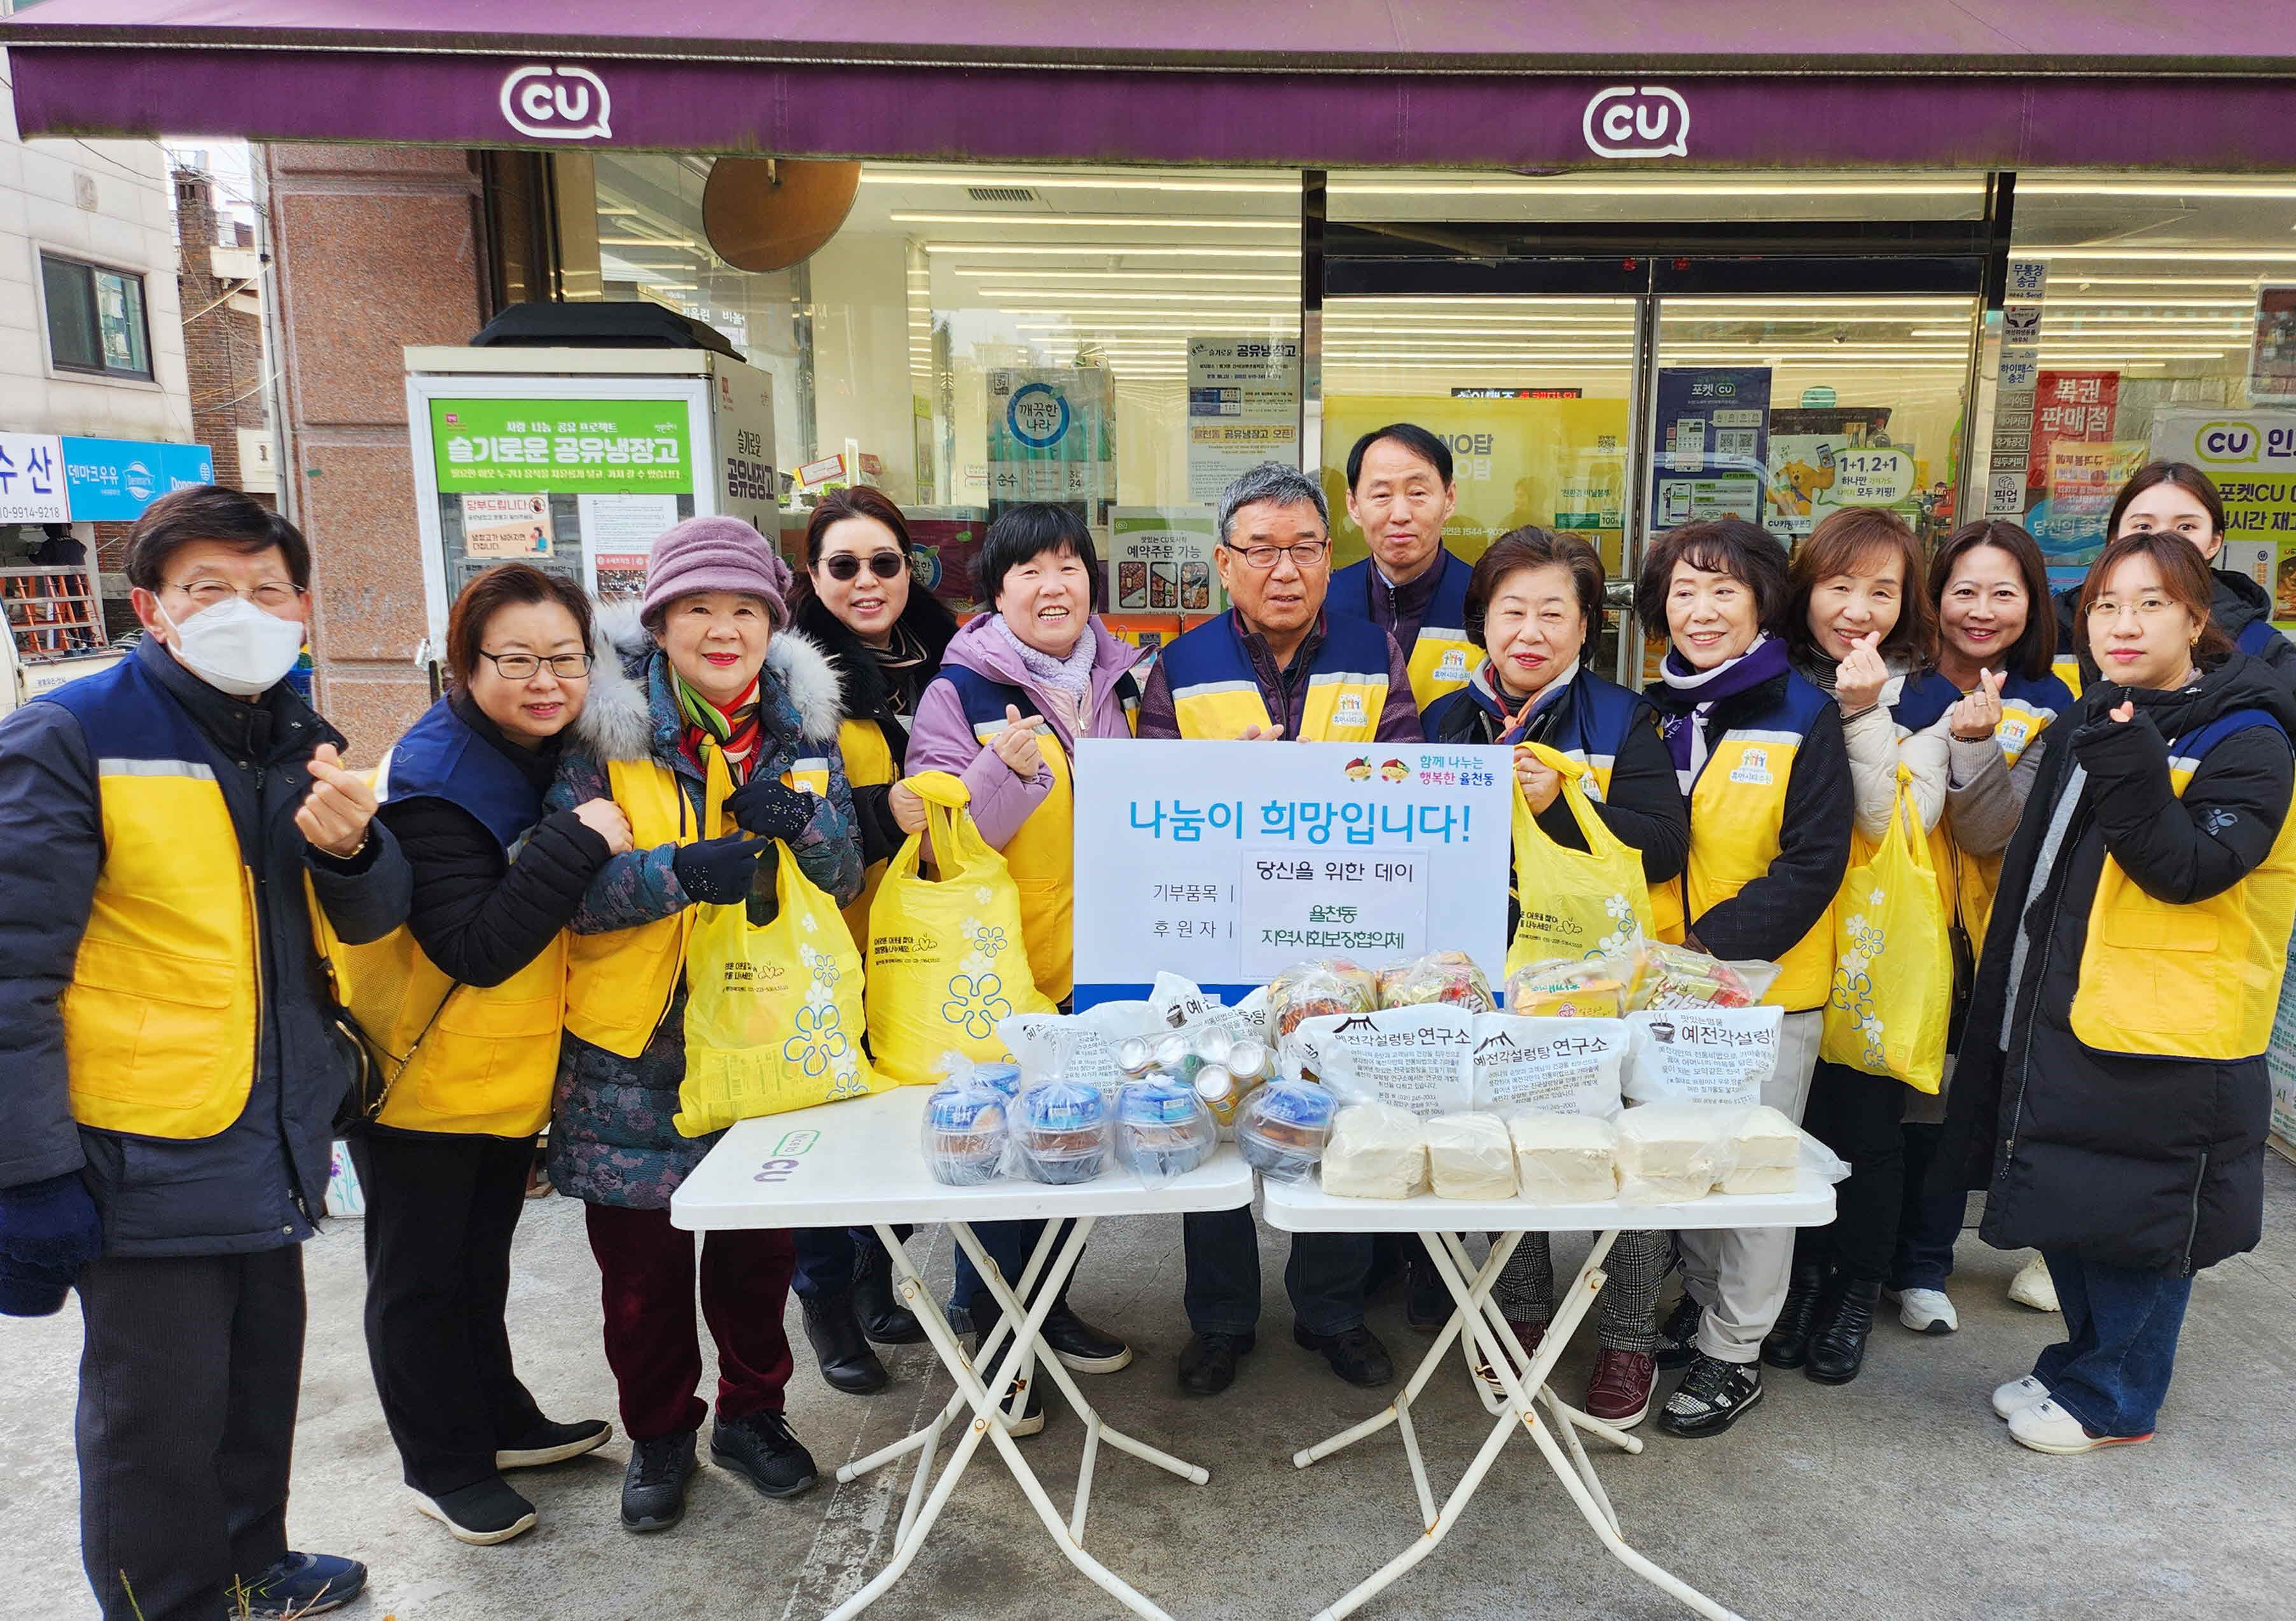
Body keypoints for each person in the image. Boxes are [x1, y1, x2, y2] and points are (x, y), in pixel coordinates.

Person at [0, 485, 410, 1621]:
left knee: (252, 1379)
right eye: (209, 588)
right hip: (136, 1143)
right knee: (155, 1416)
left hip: (270, 1128)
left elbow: (370, 920)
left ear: (303, 606)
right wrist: (27, 1167)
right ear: (153, 608)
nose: (244, 609)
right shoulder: (72, 735)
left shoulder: (294, 735)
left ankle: (251, 1562)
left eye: (267, 587)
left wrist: (355, 848)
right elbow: (10, 970)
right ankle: (167, 1602)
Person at [1937, 529, 2296, 1455]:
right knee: (2076, 1203)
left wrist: (2132, 766)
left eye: (2149, 604)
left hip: (2168, 1035)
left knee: (2139, 1225)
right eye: (2104, 605)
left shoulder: (2247, 736)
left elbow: (2192, 869)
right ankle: (2077, 1366)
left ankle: (2116, 1399)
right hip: (2070, 1009)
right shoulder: (2100, 711)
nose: (2122, 624)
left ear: (2195, 617)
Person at [547, 517, 862, 1531]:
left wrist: (804, 823)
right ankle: (659, 1434)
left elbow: (848, 873)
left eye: (743, 610)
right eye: (698, 609)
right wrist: (673, 873)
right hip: (632, 1048)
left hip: (767, 1035)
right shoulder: (602, 734)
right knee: (639, 1277)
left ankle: (754, 1416)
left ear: (771, 623)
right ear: (661, 620)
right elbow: (566, 888)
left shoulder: (807, 735)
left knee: (757, 1256)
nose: (722, 630)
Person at [350, 563, 626, 1546]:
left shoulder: (528, 752)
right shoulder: (437, 777)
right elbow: (474, 944)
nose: (544, 680)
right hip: (418, 1073)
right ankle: (442, 1462)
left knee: (477, 1264)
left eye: (563, 659)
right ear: (465, 665)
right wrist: (579, 842)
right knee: (421, 1275)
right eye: (515, 660)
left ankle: (496, 1419)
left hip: (494, 1067)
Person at [1138, 459, 1419, 1396]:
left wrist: (1321, 784)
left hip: (1339, 933)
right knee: (1212, 1115)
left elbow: (1407, 778)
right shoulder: (1180, 666)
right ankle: (1219, 1320)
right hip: (1217, 942)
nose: (1284, 569)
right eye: (1260, 550)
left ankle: (1329, 1313)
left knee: (1328, 1116)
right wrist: (1235, 788)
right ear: (1225, 564)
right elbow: (1148, 806)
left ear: (1326, 554)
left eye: (1302, 548)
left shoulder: (1374, 653)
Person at [1422, 527, 1689, 1428]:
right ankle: (1518, 1314)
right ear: (1481, 622)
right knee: (1502, 1149)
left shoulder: (1622, 719)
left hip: (1602, 985)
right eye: (1510, 610)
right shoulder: (1444, 720)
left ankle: (1624, 1337)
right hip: (1489, 978)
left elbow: (1662, 846)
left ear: (1584, 629)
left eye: (1552, 613)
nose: (1529, 631)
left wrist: (1566, 806)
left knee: (1628, 1157)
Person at [905, 501, 1138, 1420]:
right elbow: (942, 847)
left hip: (1100, 962)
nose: (1054, 586)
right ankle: (994, 1329)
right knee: (999, 1154)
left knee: (1072, 1136)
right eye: (1029, 571)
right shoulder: (956, 694)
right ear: (996, 593)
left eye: (1069, 566)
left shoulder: (1122, 684)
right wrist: (997, 772)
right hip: (1003, 968)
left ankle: (1049, 1306)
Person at [1633, 517, 1851, 1438]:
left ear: (1762, 599)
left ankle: (1734, 1353)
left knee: (1755, 1178)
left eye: (1723, 589)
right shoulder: (1646, 709)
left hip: (1763, 989)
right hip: (1659, 991)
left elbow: (1811, 863)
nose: (1701, 609)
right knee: (1681, 1163)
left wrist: (1704, 952)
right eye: (1683, 590)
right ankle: (1704, 1306)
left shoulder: (1804, 710)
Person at [1764, 507, 1946, 1386]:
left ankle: (1851, 1287)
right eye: (1839, 585)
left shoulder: (1931, 696)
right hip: (1786, 944)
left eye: (1882, 590)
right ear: (1806, 589)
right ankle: (1795, 1281)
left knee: (1865, 1131)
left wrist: (1863, 710)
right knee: (1783, 1127)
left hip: (1874, 954)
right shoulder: (1765, 682)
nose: (1857, 608)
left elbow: (1897, 818)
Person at [784, 487, 954, 1394]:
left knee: (897, 1120)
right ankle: (826, 1300)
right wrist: (876, 813)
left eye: (883, 562)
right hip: (831, 940)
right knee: (829, 1129)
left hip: (920, 937)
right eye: (842, 565)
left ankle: (875, 1274)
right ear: (813, 577)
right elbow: (784, 805)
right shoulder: (795, 678)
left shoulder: (946, 653)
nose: (866, 582)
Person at [1885, 522, 2072, 1336]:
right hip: (1897, 921)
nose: (1981, 610)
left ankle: (1926, 1264)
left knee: (1949, 1100)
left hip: (1991, 934)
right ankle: (1873, 1257)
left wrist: (1971, 747)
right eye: (1963, 589)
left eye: (2004, 592)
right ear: (1935, 597)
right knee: (1884, 1099)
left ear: (2032, 602)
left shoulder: (2051, 700)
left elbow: (1992, 831)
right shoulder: (1899, 684)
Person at [2051, 461, 2296, 693]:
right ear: (2114, 538)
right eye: (2143, 526)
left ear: (2214, 542)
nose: (2162, 539)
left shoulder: (2256, 643)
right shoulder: (2056, 626)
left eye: (2186, 527)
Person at [1328, 422, 1479, 709]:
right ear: (1353, 506)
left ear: (1449, 499)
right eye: (1382, 495)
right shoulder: (1324, 602)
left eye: (1418, 493)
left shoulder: (1485, 601)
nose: (1400, 515)